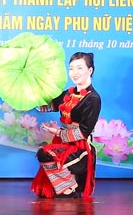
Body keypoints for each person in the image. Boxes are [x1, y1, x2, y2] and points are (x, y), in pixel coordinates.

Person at [31, 51, 101, 199]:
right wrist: (32, 96)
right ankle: (69, 186)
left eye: (79, 68)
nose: (74, 72)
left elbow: (83, 132)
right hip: (64, 144)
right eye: (71, 68)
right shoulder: (68, 94)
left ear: (90, 70)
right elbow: (47, 106)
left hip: (80, 148)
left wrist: (57, 132)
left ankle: (71, 188)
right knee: (44, 192)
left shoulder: (93, 99)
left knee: (44, 153)